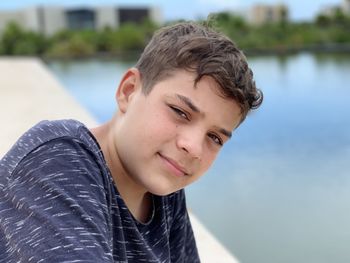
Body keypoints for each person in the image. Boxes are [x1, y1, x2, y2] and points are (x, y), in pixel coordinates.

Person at [0, 21, 262, 262]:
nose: (192, 147)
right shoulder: (57, 158)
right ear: (129, 91)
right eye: (180, 112)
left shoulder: (165, 196)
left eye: (214, 138)